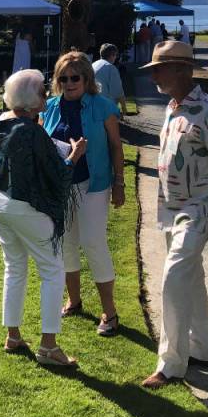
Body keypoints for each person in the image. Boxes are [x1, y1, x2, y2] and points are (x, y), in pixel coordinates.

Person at [140, 40, 208, 389]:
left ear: (183, 70)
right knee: (191, 277)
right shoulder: (173, 106)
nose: (154, 74)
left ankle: (170, 365)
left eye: (160, 68)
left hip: (200, 207)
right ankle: (202, 349)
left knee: (174, 275)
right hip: (174, 207)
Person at [0, 69, 87, 367]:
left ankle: (13, 335)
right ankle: (48, 346)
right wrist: (74, 154)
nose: (48, 95)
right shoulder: (30, 131)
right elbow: (58, 174)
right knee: (52, 270)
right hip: (24, 205)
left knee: (15, 267)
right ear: (31, 100)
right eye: (43, 92)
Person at [41, 51, 126, 336]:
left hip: (94, 185)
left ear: (86, 78)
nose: (68, 83)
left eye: (74, 77)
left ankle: (110, 312)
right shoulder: (50, 107)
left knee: (93, 242)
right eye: (62, 78)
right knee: (65, 243)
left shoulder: (103, 107)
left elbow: (116, 147)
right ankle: (74, 301)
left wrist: (119, 183)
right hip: (62, 186)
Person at [92, 43, 127, 119]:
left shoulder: (93, 65)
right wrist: (124, 109)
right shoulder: (111, 68)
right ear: (112, 55)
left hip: (91, 106)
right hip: (105, 110)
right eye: (115, 55)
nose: (115, 58)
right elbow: (118, 92)